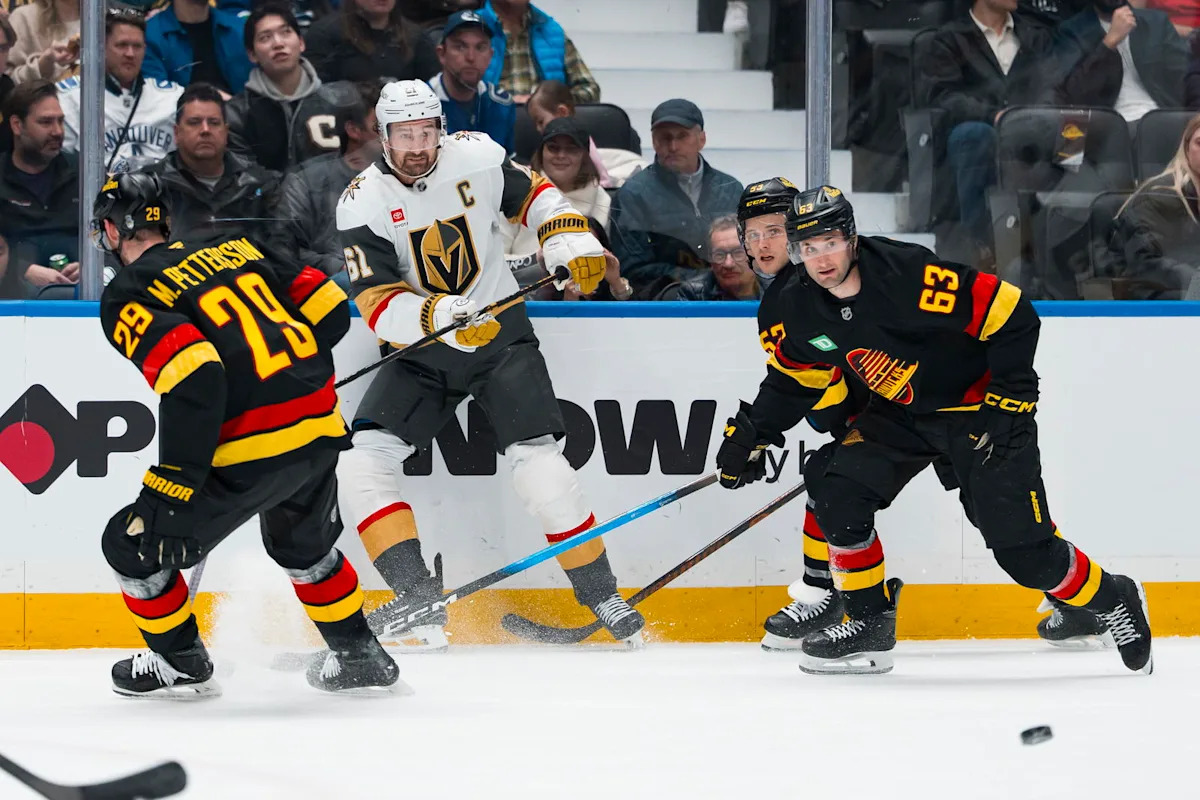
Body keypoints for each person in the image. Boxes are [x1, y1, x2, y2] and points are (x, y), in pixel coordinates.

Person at [714, 185, 1152, 675]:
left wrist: (1011, 397)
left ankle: (1114, 597)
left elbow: (1011, 311)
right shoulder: (797, 303)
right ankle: (869, 621)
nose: (822, 259)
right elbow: (796, 379)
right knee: (836, 489)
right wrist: (753, 433)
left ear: (852, 238)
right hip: (902, 414)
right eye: (809, 248)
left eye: (831, 243)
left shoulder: (908, 275)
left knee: (1027, 557)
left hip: (978, 413)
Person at [335, 79, 644, 649]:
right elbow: (376, 302)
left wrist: (568, 240)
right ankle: (416, 597)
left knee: (540, 465)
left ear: (441, 129)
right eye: (404, 135)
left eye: (426, 132)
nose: (417, 147)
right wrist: (438, 315)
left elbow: (539, 196)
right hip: (422, 349)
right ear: (382, 135)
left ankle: (602, 593)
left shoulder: (476, 156)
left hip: (500, 337)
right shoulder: (362, 202)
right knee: (359, 464)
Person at [95, 170, 402, 697]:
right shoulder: (234, 245)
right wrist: (285, 377)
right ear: (165, 221)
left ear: (110, 230)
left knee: (129, 545)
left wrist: (173, 486)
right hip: (319, 429)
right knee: (303, 549)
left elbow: (195, 376)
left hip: (250, 449)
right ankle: (360, 656)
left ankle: (180, 661)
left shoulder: (129, 291)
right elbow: (330, 310)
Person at [226, 4, 359, 172]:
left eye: (286, 32)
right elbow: (245, 176)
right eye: (265, 38)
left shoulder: (340, 100)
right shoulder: (237, 114)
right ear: (252, 54)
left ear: (301, 43)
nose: (278, 43)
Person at [58, 8, 183, 174]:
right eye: (122, 45)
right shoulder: (70, 98)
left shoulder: (173, 98)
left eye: (137, 46)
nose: (130, 54)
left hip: (163, 188)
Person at [1110, 112, 1200, 300]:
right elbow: (1144, 264)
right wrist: (1195, 279)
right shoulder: (1159, 196)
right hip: (1156, 300)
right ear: (1186, 148)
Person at [429, 9, 515, 154]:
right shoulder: (420, 104)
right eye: (460, 47)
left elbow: (509, 163)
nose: (471, 57)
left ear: (490, 56)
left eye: (480, 47)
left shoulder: (501, 104)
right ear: (442, 54)